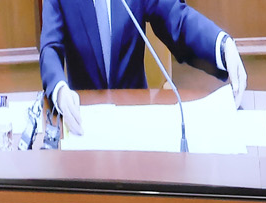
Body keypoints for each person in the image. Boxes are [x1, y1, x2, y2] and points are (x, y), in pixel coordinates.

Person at [41, 0, 246, 135]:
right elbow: (50, 47)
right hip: (83, 119)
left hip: (135, 117)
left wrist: (222, 45)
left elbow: (177, 20)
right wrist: (59, 89)